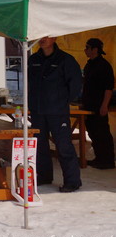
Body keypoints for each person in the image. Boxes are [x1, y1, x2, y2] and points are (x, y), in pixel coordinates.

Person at [28, 36, 82, 192]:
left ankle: (72, 181)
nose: (43, 39)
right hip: (38, 111)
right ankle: (44, 176)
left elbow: (76, 84)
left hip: (57, 112)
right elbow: (29, 83)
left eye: (47, 36)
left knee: (64, 146)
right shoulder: (33, 59)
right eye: (41, 36)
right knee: (40, 146)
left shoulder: (65, 60)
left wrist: (61, 100)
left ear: (55, 38)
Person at [82, 38, 115, 169]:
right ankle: (99, 158)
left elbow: (108, 88)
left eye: (87, 47)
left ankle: (107, 160)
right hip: (89, 104)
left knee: (102, 133)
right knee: (93, 132)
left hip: (99, 105)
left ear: (95, 49)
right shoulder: (89, 64)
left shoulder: (104, 65)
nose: (85, 50)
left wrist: (104, 105)